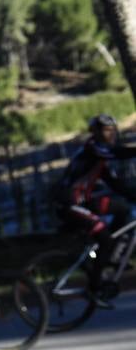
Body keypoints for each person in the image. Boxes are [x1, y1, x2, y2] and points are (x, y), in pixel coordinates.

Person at [54, 113, 136, 305]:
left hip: (84, 201)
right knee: (105, 239)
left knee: (123, 210)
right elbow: (118, 153)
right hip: (70, 204)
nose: (111, 134)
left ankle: (111, 256)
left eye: (113, 130)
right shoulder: (92, 150)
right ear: (97, 133)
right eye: (107, 130)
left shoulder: (99, 158)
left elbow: (116, 185)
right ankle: (95, 287)